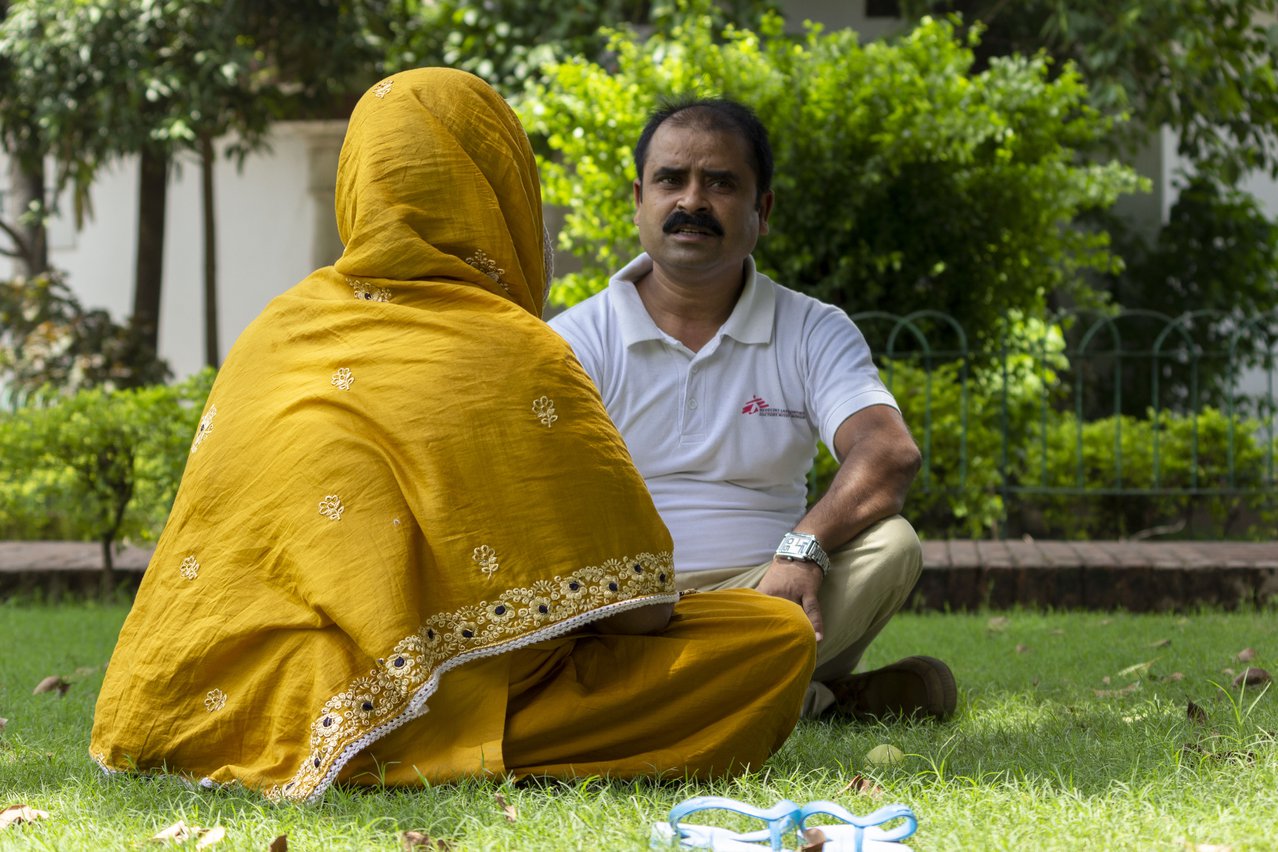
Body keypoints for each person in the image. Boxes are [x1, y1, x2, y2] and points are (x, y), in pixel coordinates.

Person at [89, 70, 816, 803]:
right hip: (444, 703)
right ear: (499, 189)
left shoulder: (276, 329)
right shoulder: (516, 349)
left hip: (220, 704)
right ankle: (422, 750)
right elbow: (643, 608)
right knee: (773, 639)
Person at [549, 97, 955, 720]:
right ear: (639, 199)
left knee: (893, 545)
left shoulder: (812, 329)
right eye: (670, 180)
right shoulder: (577, 340)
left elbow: (888, 452)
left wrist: (803, 550)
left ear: (761, 210)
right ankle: (811, 699)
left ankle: (695, 694)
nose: (692, 202)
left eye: (720, 183)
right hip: (628, 609)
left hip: (776, 594)